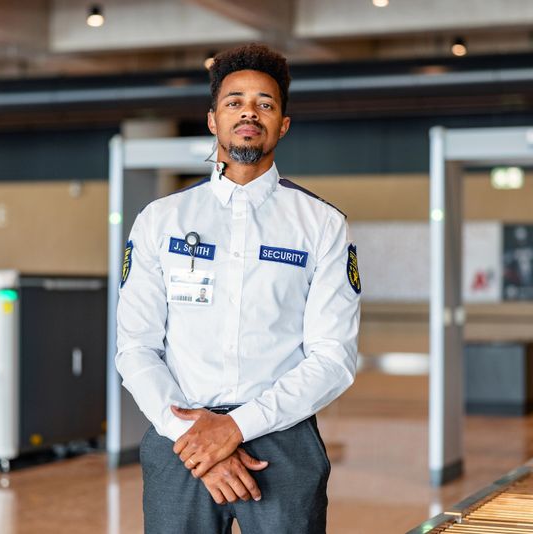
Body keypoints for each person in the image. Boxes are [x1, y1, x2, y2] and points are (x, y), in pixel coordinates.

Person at [116, 43, 361, 534]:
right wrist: (195, 437)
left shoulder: (322, 225)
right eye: (234, 101)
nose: (249, 111)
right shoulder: (161, 221)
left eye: (265, 103)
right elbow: (136, 347)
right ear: (212, 120)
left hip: (282, 442)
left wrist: (234, 428)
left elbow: (333, 358)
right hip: (178, 438)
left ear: (283, 124)